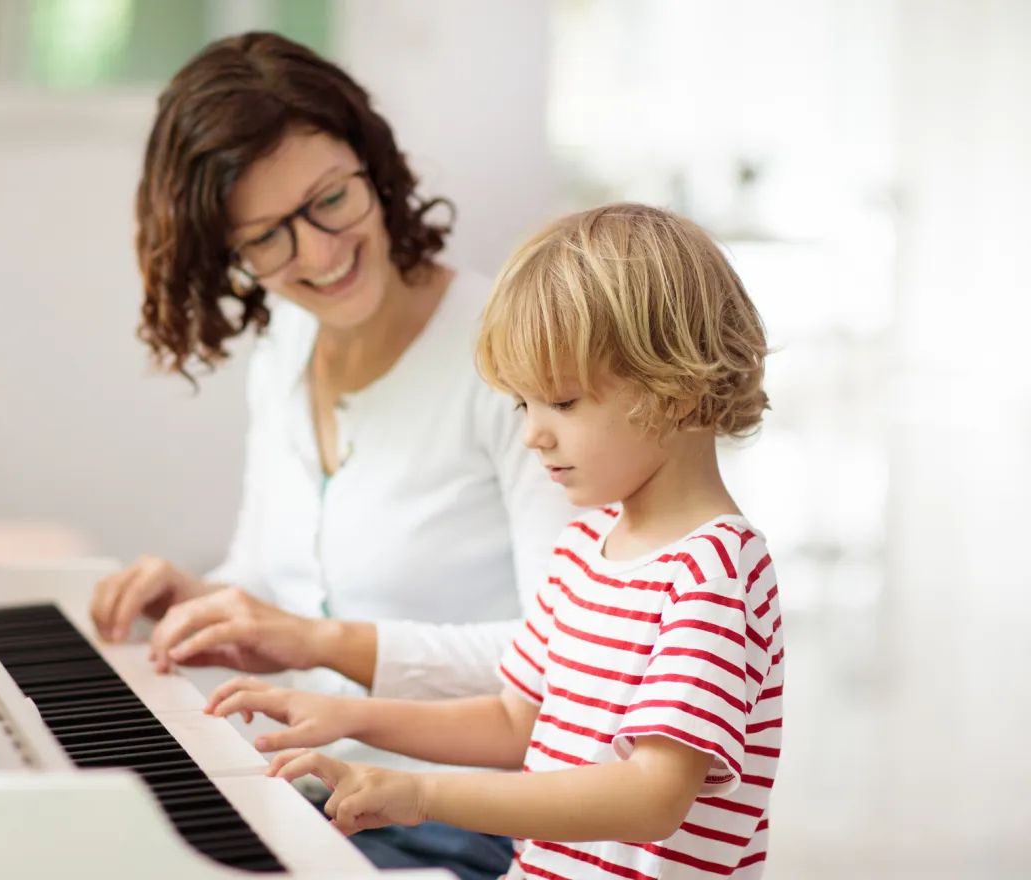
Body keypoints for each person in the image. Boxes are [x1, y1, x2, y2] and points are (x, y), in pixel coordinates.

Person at [86, 31, 580, 880]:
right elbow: (284, 584)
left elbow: (573, 657)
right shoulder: (285, 345)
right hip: (322, 798)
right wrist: (207, 599)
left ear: (373, 164)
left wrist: (319, 639)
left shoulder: (513, 353)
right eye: (268, 237)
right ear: (229, 257)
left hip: (475, 818)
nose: (317, 253)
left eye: (330, 200)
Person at [205, 203, 785, 879]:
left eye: (561, 403)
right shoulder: (585, 548)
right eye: (522, 404)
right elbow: (516, 722)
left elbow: (651, 797)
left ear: (678, 392)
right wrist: (349, 715)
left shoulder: (713, 570)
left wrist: (423, 793)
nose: (533, 434)